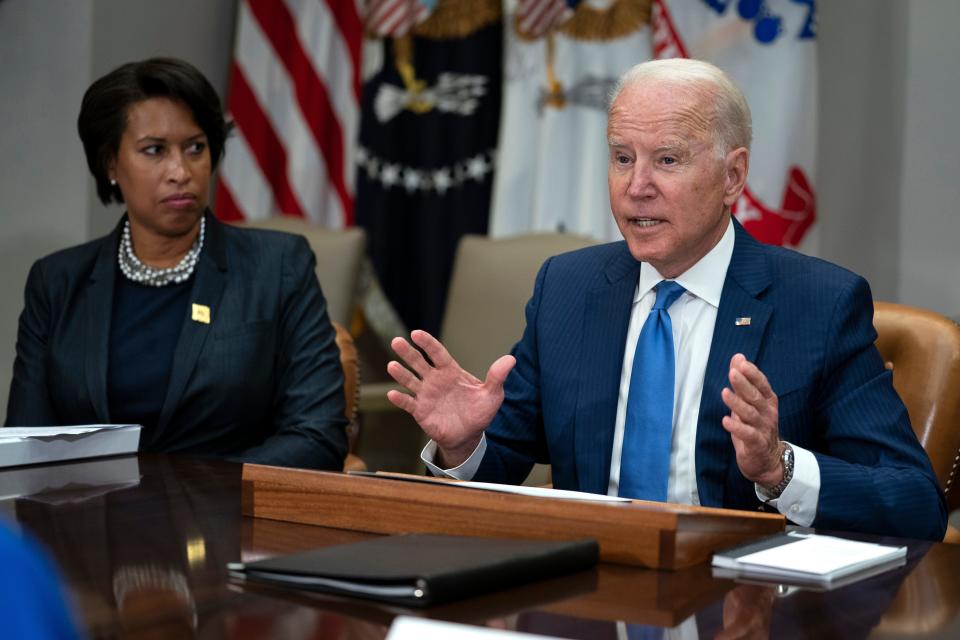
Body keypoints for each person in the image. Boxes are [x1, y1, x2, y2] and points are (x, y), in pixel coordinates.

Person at [387, 58, 947, 540]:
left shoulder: (820, 304)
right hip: (589, 598)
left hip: (733, 604)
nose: (637, 186)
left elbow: (916, 502)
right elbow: (502, 461)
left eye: (668, 160)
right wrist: (464, 445)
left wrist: (778, 470)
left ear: (733, 177)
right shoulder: (569, 287)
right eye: (623, 157)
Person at [5, 58, 347, 471]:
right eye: (154, 150)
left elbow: (318, 435)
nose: (180, 172)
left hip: (230, 523)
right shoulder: (57, 282)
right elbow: (26, 447)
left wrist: (202, 499)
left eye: (195, 148)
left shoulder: (277, 266)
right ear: (111, 163)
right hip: (89, 527)